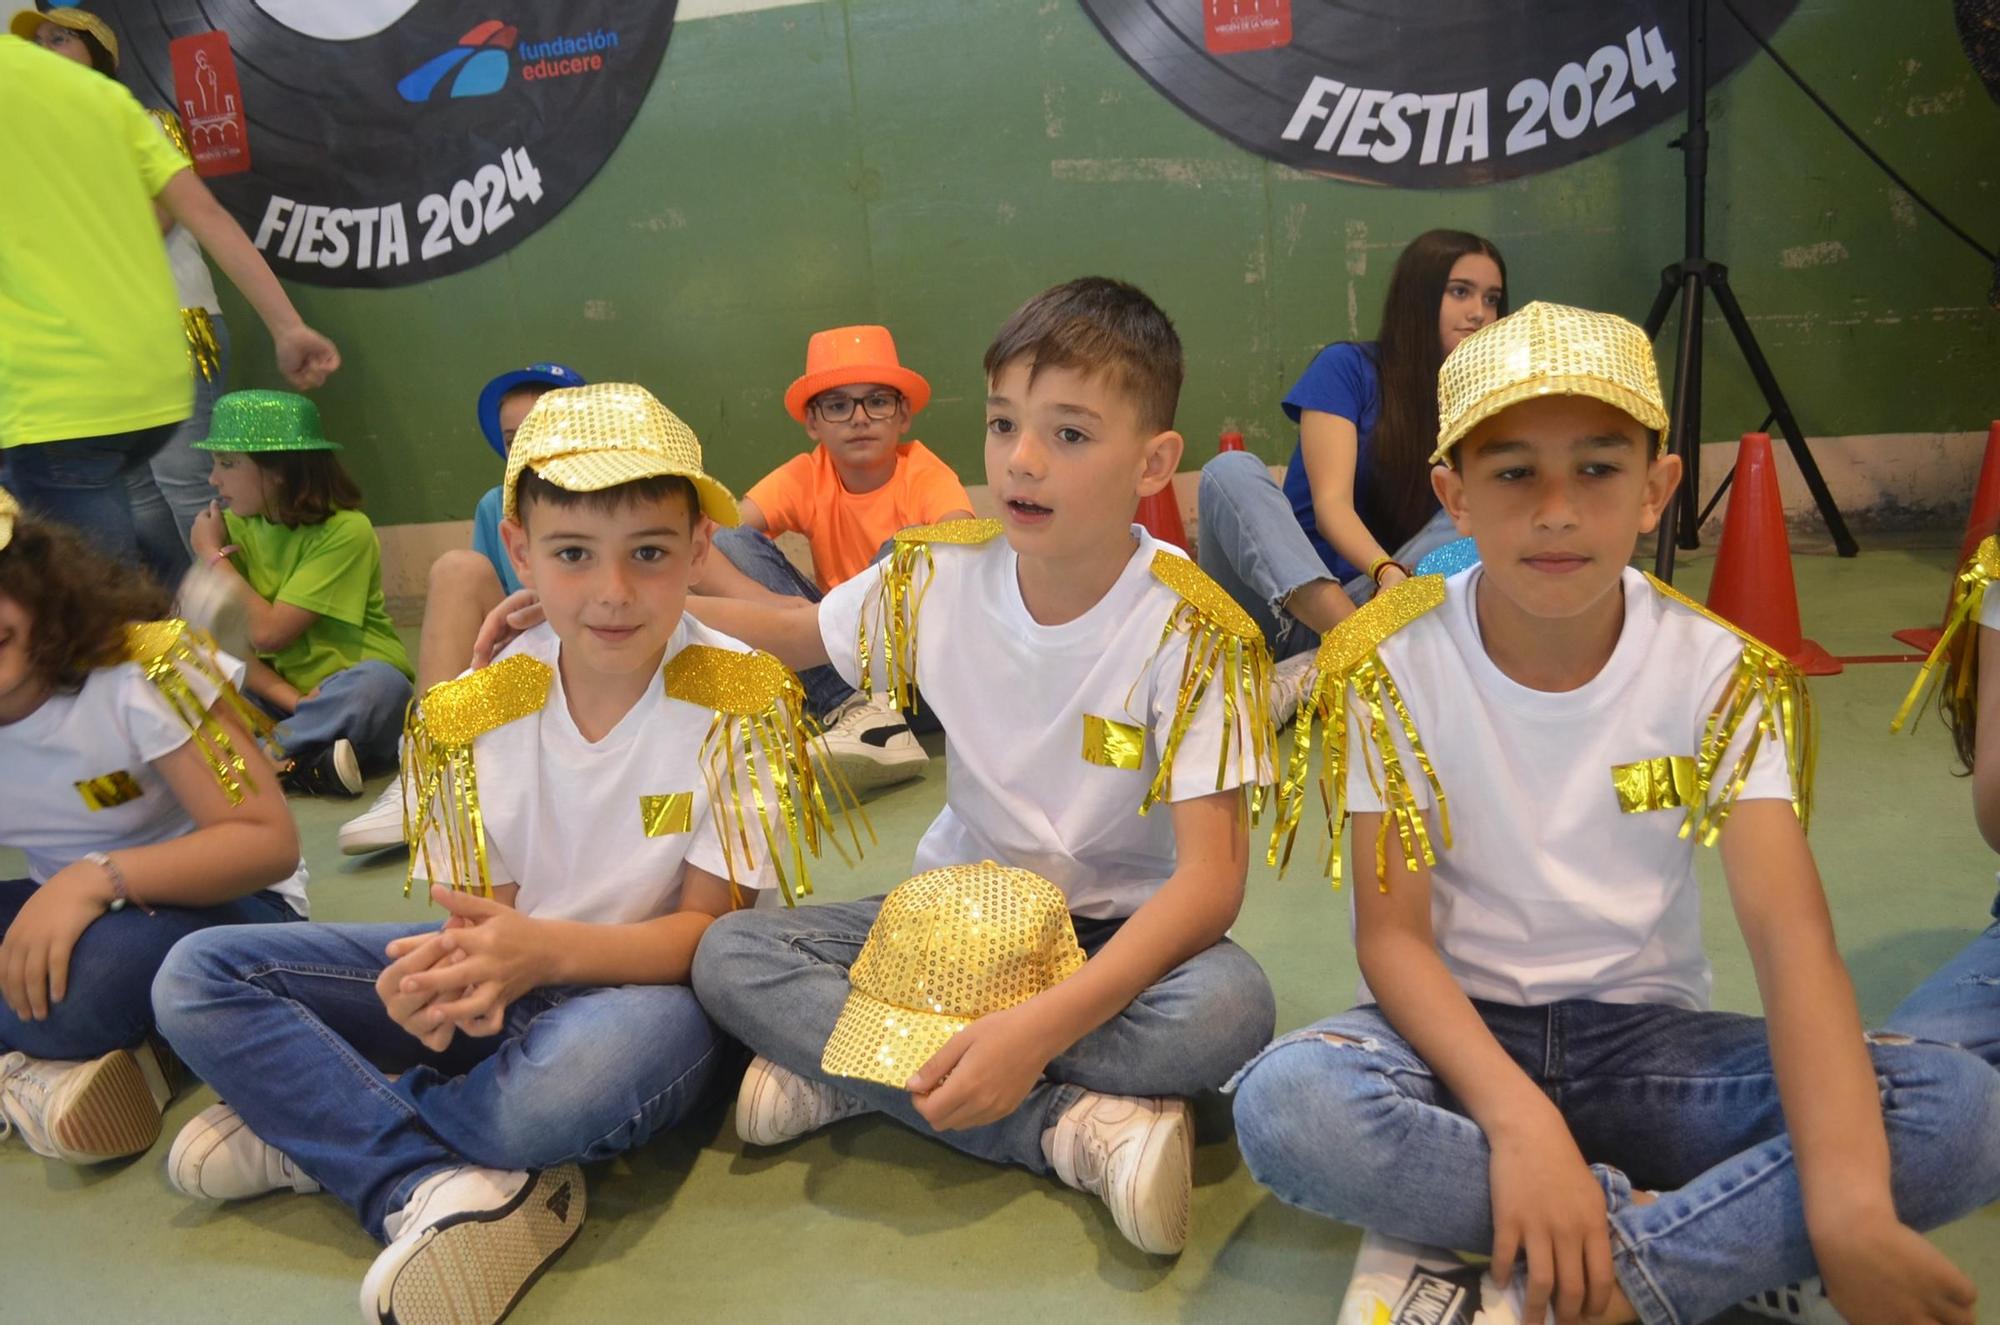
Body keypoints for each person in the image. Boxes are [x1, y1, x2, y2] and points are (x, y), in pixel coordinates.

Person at [1232, 302, 1999, 1325]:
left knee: (1957, 1111)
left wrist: (1855, 1204)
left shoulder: (1716, 670)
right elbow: (1393, 941)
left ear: (1656, 489)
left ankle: (1589, 1275)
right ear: (1451, 494)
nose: (1556, 510)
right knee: (1289, 1105)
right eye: (1512, 473)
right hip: (1458, 1050)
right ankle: (1688, 1239)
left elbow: (1790, 939)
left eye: (1596, 469)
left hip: (1653, 1053)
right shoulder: (1390, 665)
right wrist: (1520, 1125)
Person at [152, 383, 844, 1325]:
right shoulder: (474, 704)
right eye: (572, 554)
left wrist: (534, 953)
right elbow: (479, 921)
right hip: (522, 981)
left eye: (649, 553)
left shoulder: (745, 694)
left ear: (696, 551)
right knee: (195, 974)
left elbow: (704, 933)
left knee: (557, 1093)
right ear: (519, 551)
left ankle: (328, 1124)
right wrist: (444, 978)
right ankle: (413, 1164)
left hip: (655, 999)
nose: (611, 592)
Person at [681, 278, 1279, 1256]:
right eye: (1003, 424)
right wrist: (635, 609)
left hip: (1107, 935)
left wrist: (1037, 1027)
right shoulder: (937, 573)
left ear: (1152, 461)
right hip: (945, 923)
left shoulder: (1194, 628)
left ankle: (854, 1062)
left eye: (1070, 434)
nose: (1022, 460)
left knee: (1228, 1007)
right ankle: (1069, 1131)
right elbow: (792, 632)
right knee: (728, 953)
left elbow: (1211, 881)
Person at [0, 485, 308, 1166]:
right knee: (46, 979)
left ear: (33, 583)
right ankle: (76, 1065)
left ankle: (55, 1056)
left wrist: (95, 878)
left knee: (80, 988)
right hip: (69, 906)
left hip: (223, 906)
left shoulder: (147, 668)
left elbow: (267, 841)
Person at [0, 25, 338, 576]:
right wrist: (287, 327)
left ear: (100, 53)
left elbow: (170, 220)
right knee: (138, 510)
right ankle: (186, 616)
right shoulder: (99, 108)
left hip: (96, 373)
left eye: (63, 39)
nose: (48, 49)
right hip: (136, 375)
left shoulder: (132, 114)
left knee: (165, 506)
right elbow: (206, 214)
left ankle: (224, 614)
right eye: (43, 41)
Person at [1197, 228, 1505, 721]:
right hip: (1284, 605)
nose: (1479, 313)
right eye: (1460, 291)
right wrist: (1384, 573)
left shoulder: (1481, 405)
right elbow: (1331, 507)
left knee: (1479, 511)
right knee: (1228, 470)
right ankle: (1360, 654)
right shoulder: (1348, 368)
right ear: (1418, 295)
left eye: (1491, 299)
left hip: (1385, 610)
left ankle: (1317, 672)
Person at [696, 324, 974, 789]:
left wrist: (818, 617)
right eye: (838, 405)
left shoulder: (922, 470)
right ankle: (861, 714)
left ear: (903, 415)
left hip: (917, 683)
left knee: (914, 545)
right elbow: (717, 537)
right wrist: (781, 610)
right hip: (833, 674)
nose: (859, 418)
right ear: (813, 423)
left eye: (878, 402)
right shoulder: (809, 473)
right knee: (728, 545)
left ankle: (868, 714)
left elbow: (963, 544)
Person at [336, 362, 586, 854]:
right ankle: (427, 768)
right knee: (457, 568)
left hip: (597, 653)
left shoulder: (620, 497)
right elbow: (487, 623)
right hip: (525, 663)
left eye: (544, 432)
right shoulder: (498, 505)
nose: (528, 451)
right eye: (515, 440)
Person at [187, 390, 414, 796]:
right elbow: (227, 648)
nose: (214, 479)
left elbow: (270, 633)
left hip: (348, 695)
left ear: (279, 472)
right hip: (282, 702)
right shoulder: (233, 527)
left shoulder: (346, 530)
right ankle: (306, 766)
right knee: (184, 668)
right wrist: (293, 703)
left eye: (228, 464)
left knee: (384, 688)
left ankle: (249, 762)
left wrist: (211, 556)